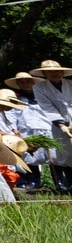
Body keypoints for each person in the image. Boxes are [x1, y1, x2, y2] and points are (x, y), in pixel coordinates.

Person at [32, 60, 72, 193]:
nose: (55, 74)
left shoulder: (71, 84)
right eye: (51, 72)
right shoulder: (39, 88)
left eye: (57, 71)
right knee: (65, 155)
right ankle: (68, 185)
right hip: (59, 126)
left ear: (63, 72)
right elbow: (48, 108)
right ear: (44, 74)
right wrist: (62, 126)